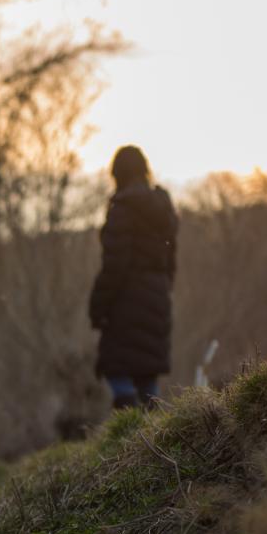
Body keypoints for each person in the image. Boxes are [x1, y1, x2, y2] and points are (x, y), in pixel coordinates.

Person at [88, 145, 179, 409]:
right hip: (158, 298)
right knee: (146, 373)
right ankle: (151, 439)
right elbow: (171, 261)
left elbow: (114, 265)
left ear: (117, 174)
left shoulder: (123, 209)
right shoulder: (163, 210)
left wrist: (98, 306)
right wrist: (161, 291)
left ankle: (128, 430)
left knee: (115, 366)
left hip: (125, 301)